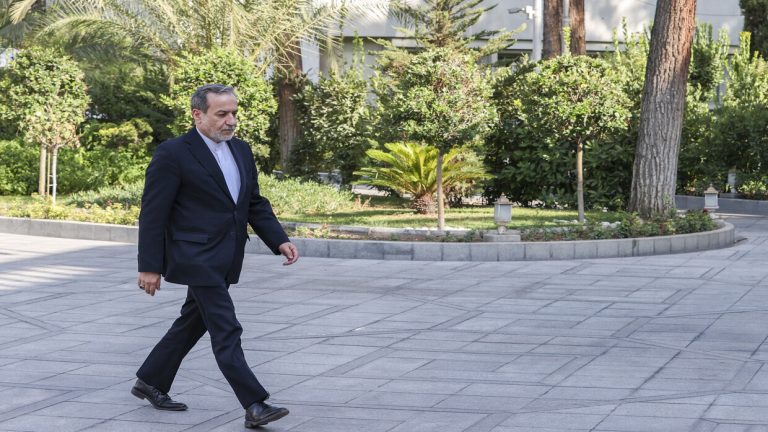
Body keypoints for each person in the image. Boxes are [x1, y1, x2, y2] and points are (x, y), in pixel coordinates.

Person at [132, 83, 298, 428]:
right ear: (198, 115)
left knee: (193, 321)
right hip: (195, 256)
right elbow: (153, 214)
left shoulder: (241, 150)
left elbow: (252, 201)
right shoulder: (173, 153)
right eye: (222, 114)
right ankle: (255, 404)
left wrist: (278, 239)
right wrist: (149, 267)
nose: (231, 120)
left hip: (227, 254)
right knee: (226, 327)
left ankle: (150, 379)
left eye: (234, 112)